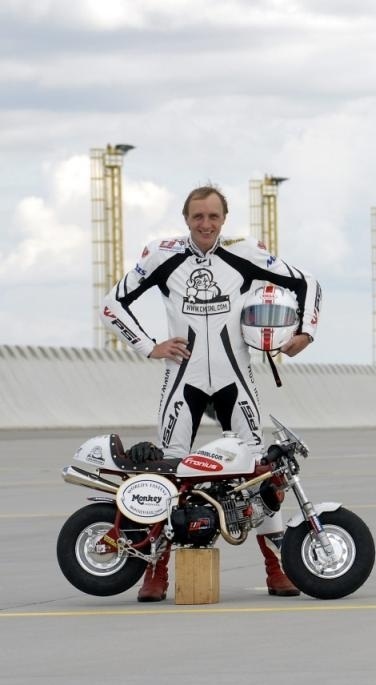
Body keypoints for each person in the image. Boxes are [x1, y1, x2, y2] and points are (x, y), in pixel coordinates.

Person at [101, 185, 321, 602]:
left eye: (213, 216)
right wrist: (148, 346)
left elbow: (306, 282)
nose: (205, 224)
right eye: (198, 216)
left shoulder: (245, 253)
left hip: (235, 379)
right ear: (186, 219)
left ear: (224, 219)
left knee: (258, 473)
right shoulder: (162, 255)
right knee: (167, 476)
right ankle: (156, 573)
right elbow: (112, 305)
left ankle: (277, 569)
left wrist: (305, 333)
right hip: (182, 380)